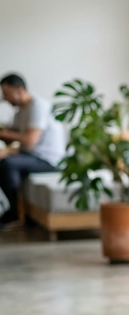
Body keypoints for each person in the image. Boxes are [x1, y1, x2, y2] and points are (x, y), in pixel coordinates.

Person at [0, 74, 69, 228]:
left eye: (6, 94)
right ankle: (21, 212)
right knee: (6, 162)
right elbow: (12, 136)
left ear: (19, 90)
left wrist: (6, 146)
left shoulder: (38, 106)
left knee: (7, 164)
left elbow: (29, 140)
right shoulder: (20, 111)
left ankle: (14, 213)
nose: (4, 99)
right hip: (32, 156)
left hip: (49, 160)